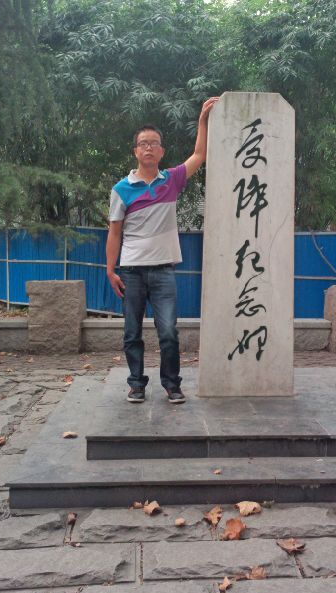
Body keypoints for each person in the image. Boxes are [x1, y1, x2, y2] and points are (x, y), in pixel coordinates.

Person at [106, 97, 219, 404]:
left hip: (164, 271)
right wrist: (110, 270)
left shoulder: (171, 180)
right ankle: (136, 384)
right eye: (143, 144)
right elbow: (114, 232)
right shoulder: (121, 189)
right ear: (135, 151)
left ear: (161, 151)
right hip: (131, 272)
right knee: (132, 332)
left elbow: (199, 155)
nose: (149, 148)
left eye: (154, 144)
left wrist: (202, 120)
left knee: (168, 331)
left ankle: (171, 384)